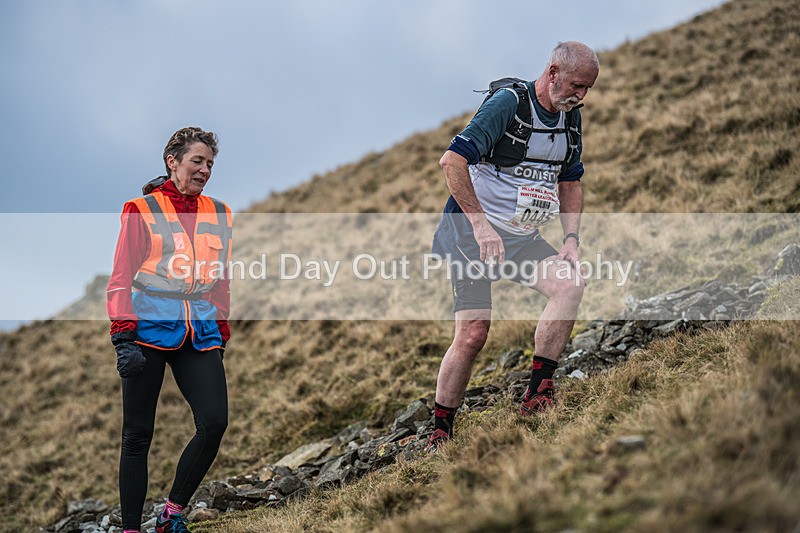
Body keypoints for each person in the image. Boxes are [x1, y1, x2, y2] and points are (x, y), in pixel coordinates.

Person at [429, 42, 599, 452]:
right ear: (553, 71)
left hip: (521, 239)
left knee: (570, 285)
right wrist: (481, 226)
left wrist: (571, 241)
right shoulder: (509, 104)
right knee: (473, 335)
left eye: (587, 89)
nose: (580, 96)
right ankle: (440, 433)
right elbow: (452, 161)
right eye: (576, 85)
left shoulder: (568, 118)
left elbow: (570, 182)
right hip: (472, 237)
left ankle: (538, 395)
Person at [106, 127, 233, 533]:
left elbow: (222, 278)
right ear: (172, 161)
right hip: (146, 330)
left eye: (210, 163)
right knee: (137, 435)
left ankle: (171, 514)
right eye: (197, 161)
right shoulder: (140, 209)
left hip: (198, 330)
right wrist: (123, 336)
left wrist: (221, 329)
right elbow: (121, 276)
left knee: (214, 422)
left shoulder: (221, 212)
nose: (205, 170)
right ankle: (129, 528)